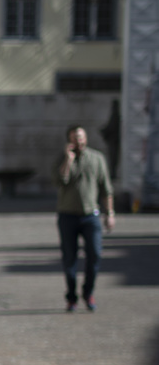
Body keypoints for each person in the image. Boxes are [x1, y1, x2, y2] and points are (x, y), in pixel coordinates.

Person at [54, 126, 114, 312]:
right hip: (67, 216)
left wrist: (110, 213)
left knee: (95, 254)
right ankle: (71, 297)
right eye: (74, 138)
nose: (79, 141)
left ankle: (88, 292)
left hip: (91, 216)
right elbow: (59, 181)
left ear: (86, 138)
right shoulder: (62, 160)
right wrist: (68, 160)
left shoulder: (97, 159)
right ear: (69, 141)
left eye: (81, 137)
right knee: (69, 258)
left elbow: (106, 189)